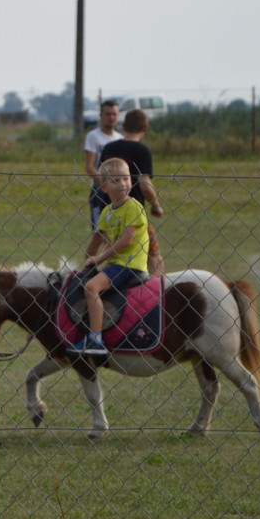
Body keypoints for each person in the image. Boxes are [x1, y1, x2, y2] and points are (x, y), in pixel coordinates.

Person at [68, 157, 149, 357]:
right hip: (115, 263)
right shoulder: (106, 212)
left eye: (126, 179)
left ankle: (96, 341)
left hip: (130, 264)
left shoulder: (134, 207)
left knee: (91, 287)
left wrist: (98, 258)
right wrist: (95, 261)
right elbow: (108, 240)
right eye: (116, 180)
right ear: (104, 188)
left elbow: (126, 241)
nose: (122, 184)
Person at [100, 109, 165, 276]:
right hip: (133, 212)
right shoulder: (142, 151)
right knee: (153, 252)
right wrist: (156, 205)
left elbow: (101, 175)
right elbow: (144, 184)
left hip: (109, 209)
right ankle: (157, 288)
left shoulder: (109, 147)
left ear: (124, 126)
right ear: (145, 128)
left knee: (107, 246)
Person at [83, 100, 122, 229]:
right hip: (99, 189)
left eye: (114, 114)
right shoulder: (93, 136)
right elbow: (89, 167)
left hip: (118, 191)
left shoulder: (120, 139)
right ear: (101, 116)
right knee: (99, 232)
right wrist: (106, 182)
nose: (111, 117)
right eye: (107, 114)